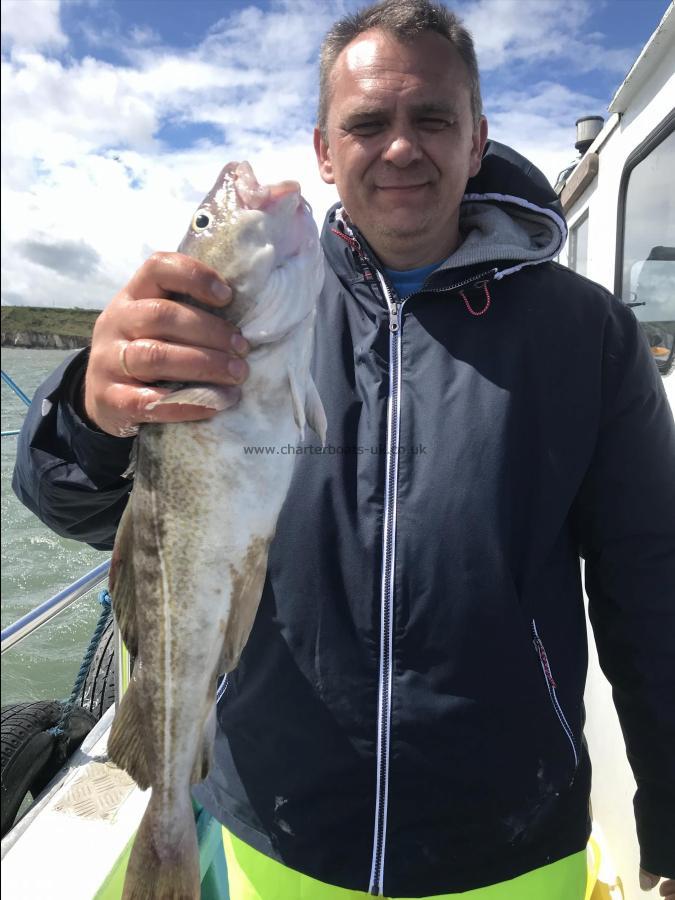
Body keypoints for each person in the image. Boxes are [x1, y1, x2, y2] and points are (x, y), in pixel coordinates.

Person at [12, 1, 675, 897]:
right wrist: (93, 413)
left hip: (509, 841)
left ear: (476, 139)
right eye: (366, 122)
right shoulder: (222, 330)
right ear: (324, 151)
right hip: (283, 832)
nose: (400, 146)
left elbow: (651, 589)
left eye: (432, 118)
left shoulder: (586, 333)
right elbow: (79, 509)